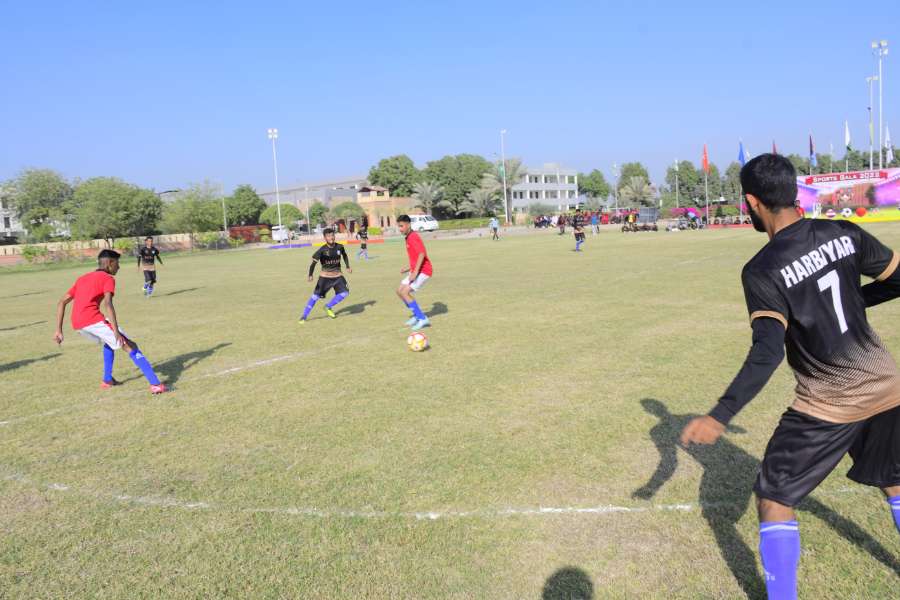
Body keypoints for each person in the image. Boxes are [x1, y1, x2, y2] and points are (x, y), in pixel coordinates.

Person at [680, 153, 900, 600]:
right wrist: (852, 301)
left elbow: (767, 352)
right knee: (895, 480)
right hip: (887, 385)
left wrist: (720, 415)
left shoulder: (762, 269)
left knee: (775, 500)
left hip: (831, 403)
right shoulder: (843, 232)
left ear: (751, 202)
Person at [54, 249, 167, 394]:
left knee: (109, 343)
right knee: (130, 346)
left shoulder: (82, 278)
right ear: (110, 263)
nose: (118, 267)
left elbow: (61, 302)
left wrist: (58, 330)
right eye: (117, 263)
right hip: (92, 320)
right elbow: (108, 304)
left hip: (78, 324)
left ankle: (107, 380)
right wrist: (115, 331)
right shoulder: (108, 278)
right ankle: (156, 385)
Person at [299, 228, 352, 323]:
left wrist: (347, 266)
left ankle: (328, 306)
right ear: (325, 238)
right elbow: (313, 264)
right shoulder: (322, 250)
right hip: (325, 277)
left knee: (344, 293)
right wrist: (310, 275)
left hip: (338, 276)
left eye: (332, 235)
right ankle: (304, 316)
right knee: (315, 297)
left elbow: (344, 255)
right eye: (328, 236)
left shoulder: (340, 247)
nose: (331, 237)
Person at [396, 214, 433, 331]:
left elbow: (422, 254)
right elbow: (415, 257)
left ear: (408, 225)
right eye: (399, 226)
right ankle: (417, 315)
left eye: (401, 226)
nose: (400, 229)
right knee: (399, 291)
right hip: (415, 270)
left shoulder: (413, 236)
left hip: (424, 271)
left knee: (405, 292)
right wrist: (408, 269)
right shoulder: (408, 237)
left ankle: (422, 319)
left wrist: (415, 272)